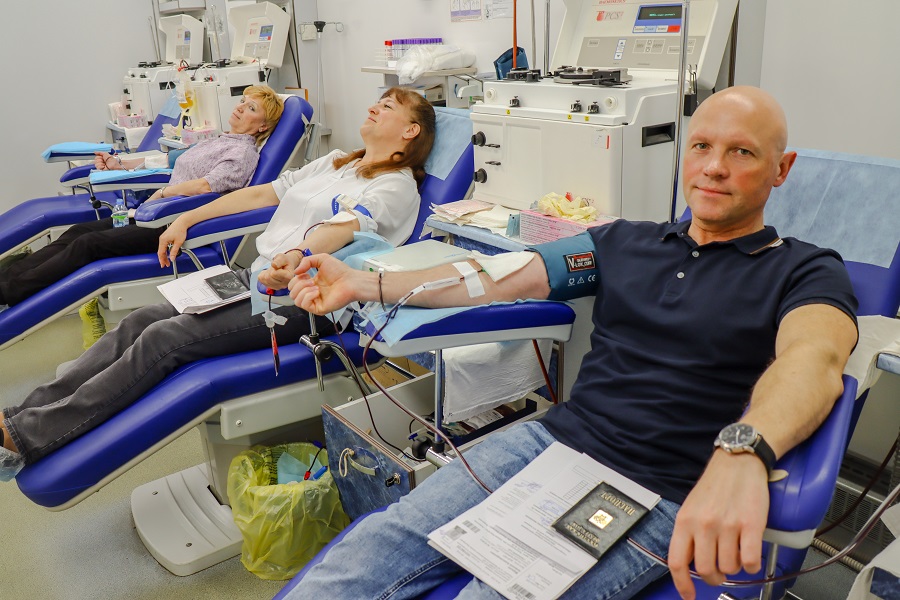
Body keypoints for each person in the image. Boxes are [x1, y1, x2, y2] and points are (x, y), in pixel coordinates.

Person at [279, 86, 859, 600]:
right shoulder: (624, 243)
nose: (713, 168)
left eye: (742, 153)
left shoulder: (805, 270)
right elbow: (492, 276)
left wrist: (744, 451)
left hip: (658, 487)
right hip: (548, 443)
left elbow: (815, 359)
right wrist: (364, 283)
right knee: (376, 546)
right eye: (702, 146)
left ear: (781, 169)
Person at [0, 87, 436, 481]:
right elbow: (261, 194)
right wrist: (188, 218)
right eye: (377, 100)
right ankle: (22, 413)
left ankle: (28, 436)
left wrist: (298, 255)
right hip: (253, 277)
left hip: (307, 298)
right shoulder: (339, 161)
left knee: (164, 339)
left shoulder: (396, 187)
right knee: (140, 321)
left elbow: (342, 228)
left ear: (411, 130)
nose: (374, 106)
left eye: (388, 105)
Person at [0, 85, 284, 310]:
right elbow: (170, 161)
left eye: (251, 108)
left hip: (172, 225)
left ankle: (10, 291)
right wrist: (120, 165)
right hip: (153, 214)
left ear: (262, 126)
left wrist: (163, 193)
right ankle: (7, 279)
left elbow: (205, 187)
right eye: (242, 101)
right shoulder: (220, 140)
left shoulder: (242, 153)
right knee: (78, 231)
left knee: (88, 244)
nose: (240, 107)